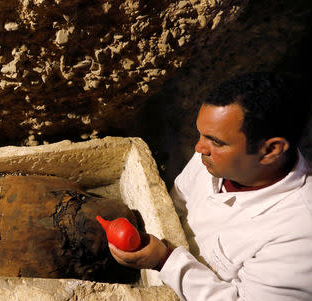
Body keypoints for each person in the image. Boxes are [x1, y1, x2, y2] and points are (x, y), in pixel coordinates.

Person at [108, 72, 312, 300]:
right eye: (201, 135)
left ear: (270, 150)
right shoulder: (214, 160)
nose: (198, 148)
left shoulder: (300, 235)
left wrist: (165, 260)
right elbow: (176, 203)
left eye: (216, 141)